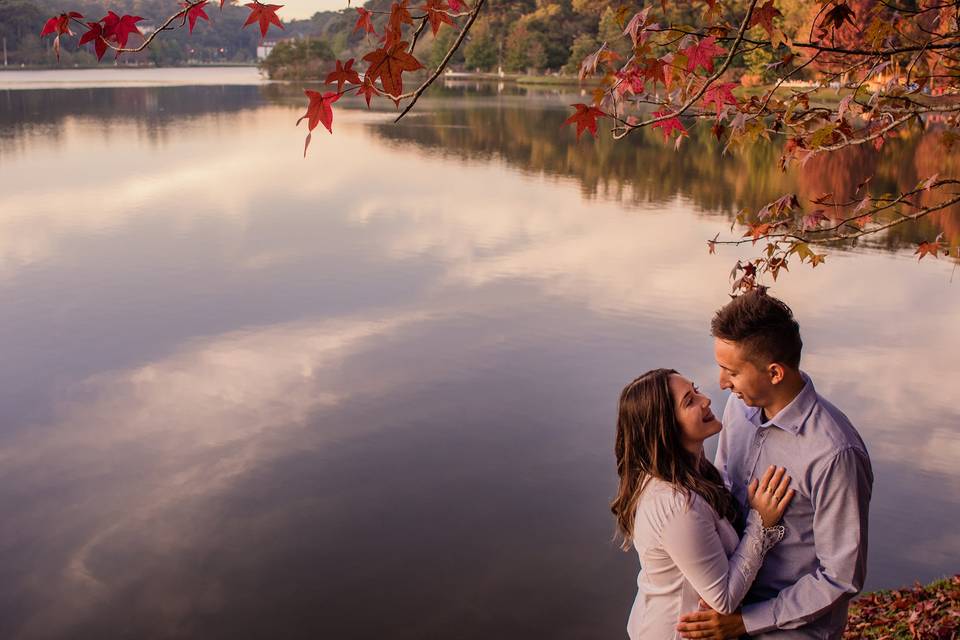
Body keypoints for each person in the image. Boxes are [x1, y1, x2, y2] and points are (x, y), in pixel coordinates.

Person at [677, 290, 873, 639]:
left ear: (775, 373)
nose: (721, 383)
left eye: (731, 371)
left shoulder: (834, 453)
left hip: (792, 627)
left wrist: (745, 622)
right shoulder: (739, 409)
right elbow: (724, 490)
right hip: (730, 596)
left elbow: (839, 578)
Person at [613, 368, 795, 640]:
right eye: (689, 401)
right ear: (666, 427)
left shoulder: (689, 472)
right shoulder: (677, 505)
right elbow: (723, 598)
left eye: (695, 390)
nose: (705, 400)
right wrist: (761, 522)